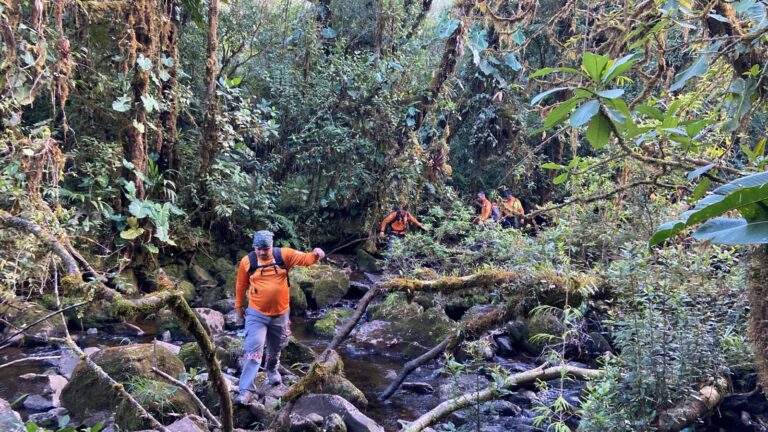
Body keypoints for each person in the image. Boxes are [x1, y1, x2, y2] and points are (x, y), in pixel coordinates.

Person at [234, 230, 325, 403]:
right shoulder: (247, 262)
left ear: (271, 246)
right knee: (254, 349)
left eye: (265, 249)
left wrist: (316, 254)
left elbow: (305, 259)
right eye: (258, 248)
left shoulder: (284, 255)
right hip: (256, 314)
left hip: (281, 314)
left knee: (276, 347)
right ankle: (246, 390)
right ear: (254, 247)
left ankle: (272, 370)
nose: (262, 252)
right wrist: (238, 306)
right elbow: (240, 285)